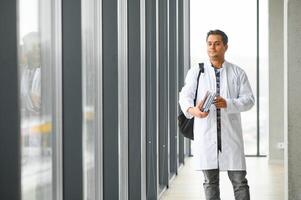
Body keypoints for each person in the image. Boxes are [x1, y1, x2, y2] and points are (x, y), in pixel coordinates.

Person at [179, 29, 255, 200]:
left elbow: (249, 99)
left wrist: (228, 103)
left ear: (225, 47)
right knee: (210, 182)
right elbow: (185, 96)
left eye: (217, 43)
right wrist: (194, 111)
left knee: (240, 182)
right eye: (209, 43)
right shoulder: (196, 71)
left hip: (230, 136)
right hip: (207, 135)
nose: (212, 47)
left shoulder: (237, 72)